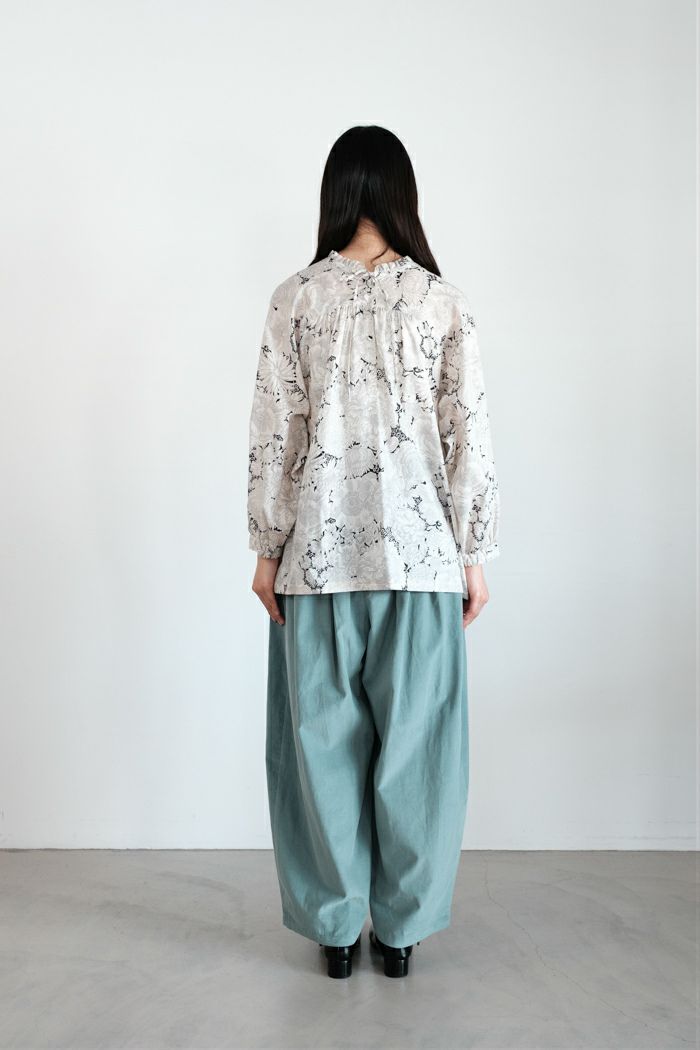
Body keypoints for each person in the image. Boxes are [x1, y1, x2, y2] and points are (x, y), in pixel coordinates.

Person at [247, 125, 500, 979]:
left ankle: (333, 929)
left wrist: (266, 549)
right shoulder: (443, 301)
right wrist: (473, 555)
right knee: (419, 753)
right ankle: (401, 933)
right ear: (402, 194)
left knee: (319, 749)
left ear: (336, 193)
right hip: (421, 563)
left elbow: (274, 434)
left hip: (316, 562)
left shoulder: (294, 299)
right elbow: (468, 437)